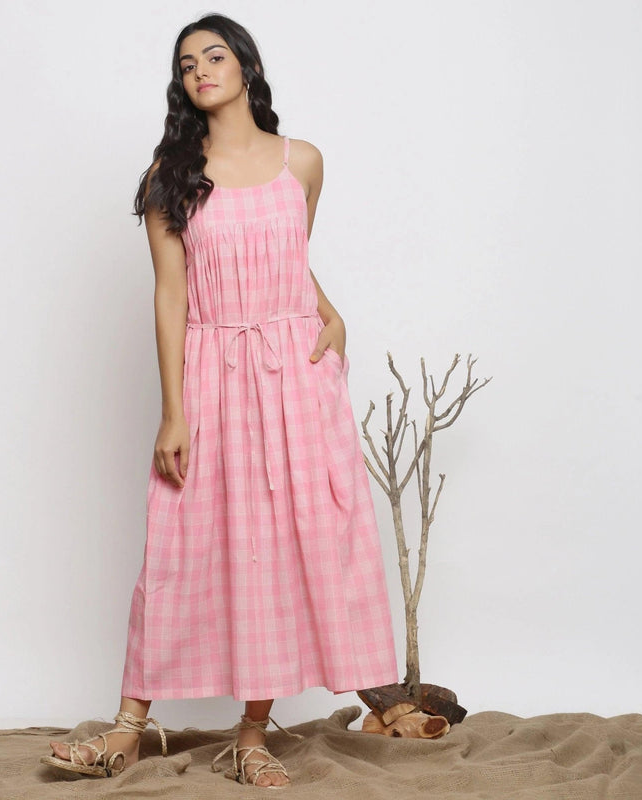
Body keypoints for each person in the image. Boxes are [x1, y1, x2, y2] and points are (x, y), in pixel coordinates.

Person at [40, 13, 399, 788]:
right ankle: (130, 726)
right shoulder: (169, 176)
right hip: (211, 370)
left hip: (296, 375)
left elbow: (289, 257)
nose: (201, 68)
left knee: (279, 548)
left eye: (214, 54)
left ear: (244, 64)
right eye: (187, 63)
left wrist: (331, 312)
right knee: (179, 543)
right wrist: (175, 410)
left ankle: (252, 734)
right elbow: (172, 295)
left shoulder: (302, 160)